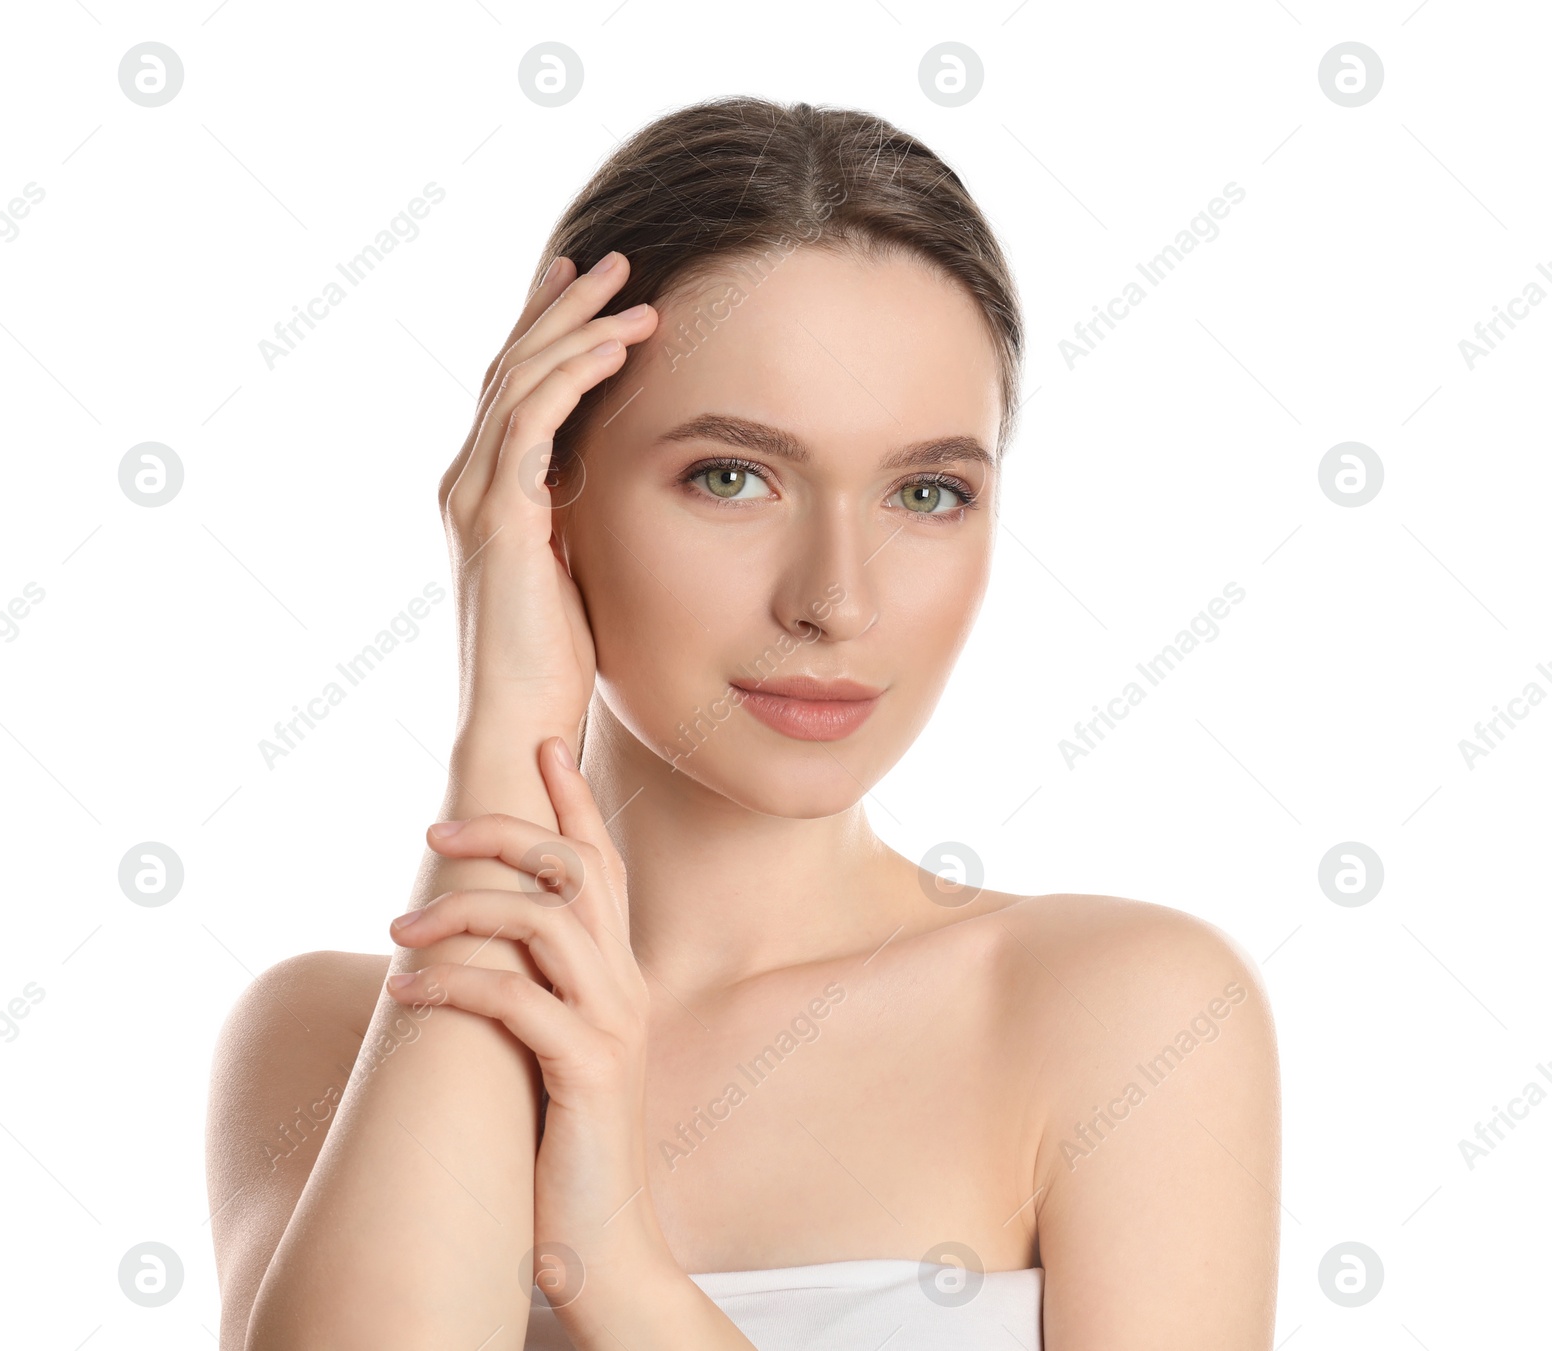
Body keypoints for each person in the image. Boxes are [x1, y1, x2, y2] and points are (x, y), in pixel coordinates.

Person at [205, 95, 1281, 1350]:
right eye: (732, 476)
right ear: (545, 488)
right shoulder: (329, 1038)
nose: (835, 598)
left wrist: (616, 1268)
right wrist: (504, 735)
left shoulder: (1120, 1012)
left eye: (926, 491)